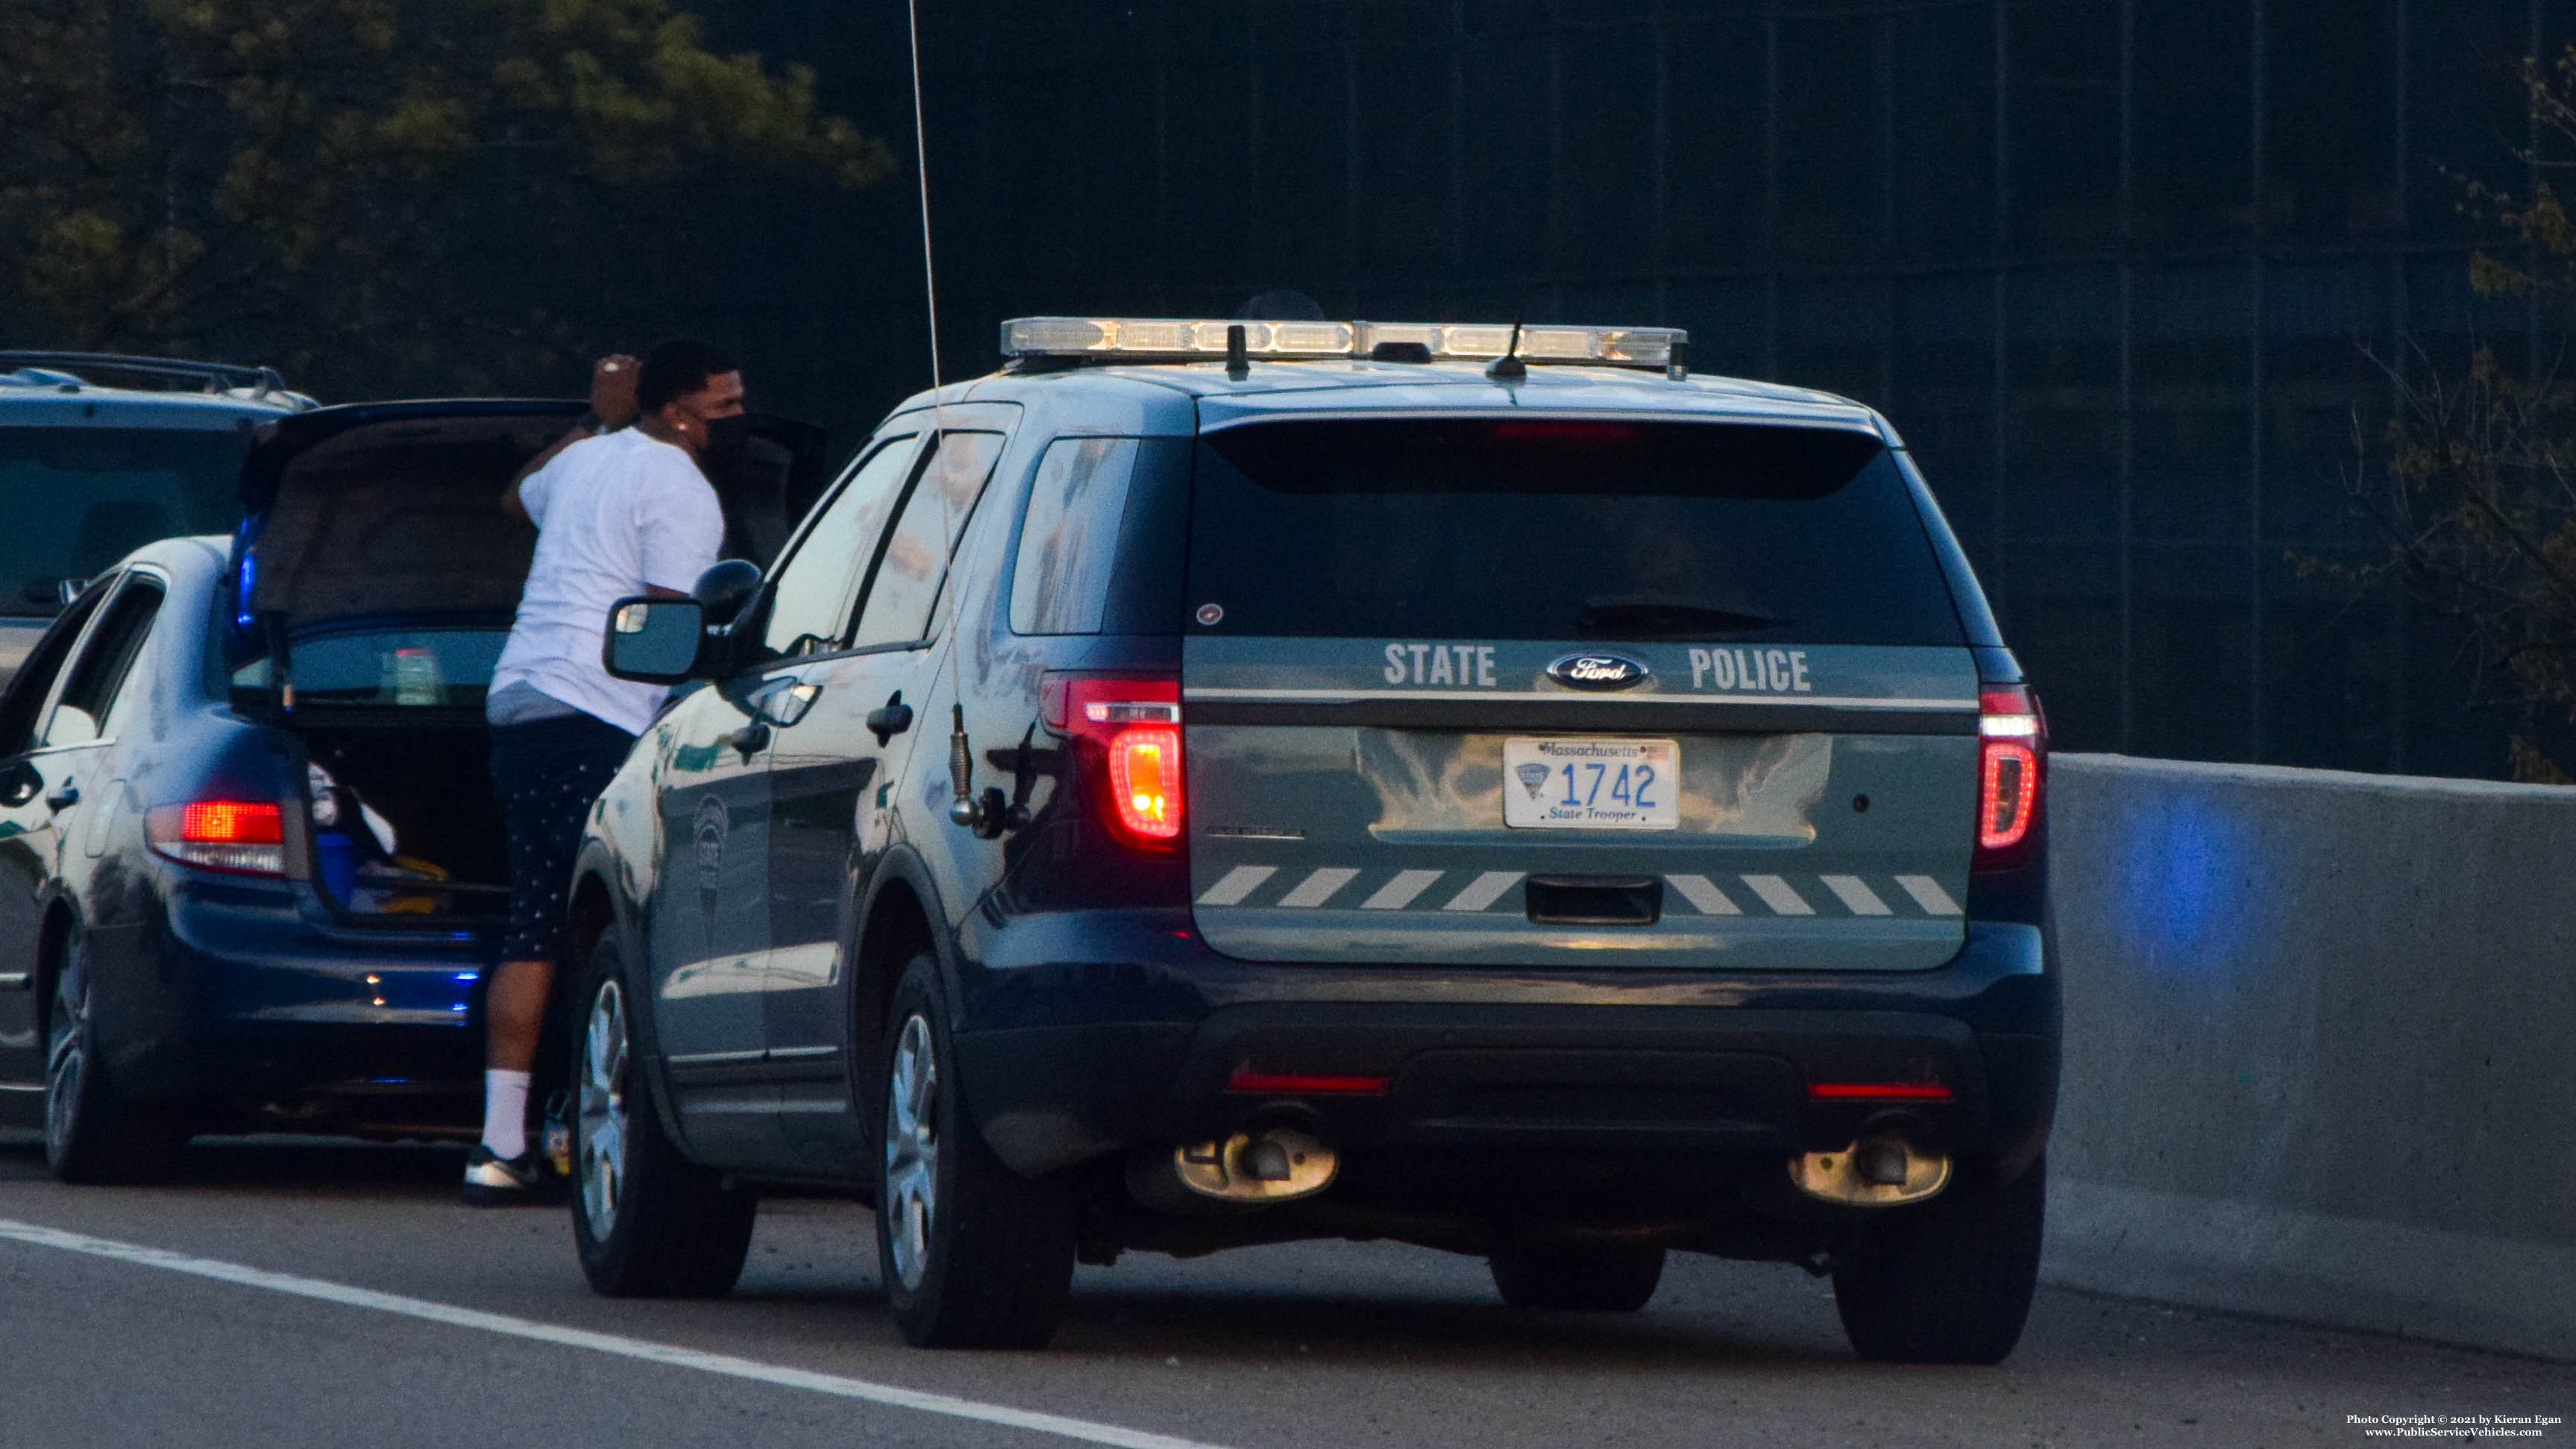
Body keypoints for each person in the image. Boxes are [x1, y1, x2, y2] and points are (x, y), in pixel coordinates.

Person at [465, 339, 743, 1204]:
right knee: (622, 926)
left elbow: (516, 497)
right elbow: (670, 627)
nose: (734, 421)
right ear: (673, 411)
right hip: (598, 712)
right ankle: (591, 1129)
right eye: (722, 407)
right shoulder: (681, 489)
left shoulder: (584, 458)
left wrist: (595, 418)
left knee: (537, 921)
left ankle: (497, 1144)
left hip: (518, 700)